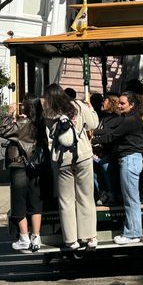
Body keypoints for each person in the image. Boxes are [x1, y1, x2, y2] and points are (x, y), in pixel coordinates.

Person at [42, 84, 99, 251]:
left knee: (66, 200)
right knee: (86, 197)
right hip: (83, 156)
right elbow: (93, 124)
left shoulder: (49, 113)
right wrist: (91, 109)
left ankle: (71, 240)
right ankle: (90, 237)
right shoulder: (79, 106)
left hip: (61, 160)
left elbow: (52, 134)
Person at [93, 92, 143, 244]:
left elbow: (111, 135)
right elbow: (111, 131)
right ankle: (134, 232)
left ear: (132, 105)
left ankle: (132, 234)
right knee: (131, 198)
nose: (120, 106)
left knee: (130, 199)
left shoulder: (130, 120)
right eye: (120, 103)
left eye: (123, 103)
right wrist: (95, 132)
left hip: (130, 160)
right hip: (130, 160)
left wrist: (92, 139)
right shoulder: (130, 119)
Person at [0, 96, 48, 251]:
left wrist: (9, 114)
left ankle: (24, 237)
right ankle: (36, 236)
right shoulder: (40, 124)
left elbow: (2, 130)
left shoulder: (20, 124)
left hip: (20, 165)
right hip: (37, 165)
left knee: (19, 202)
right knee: (35, 202)